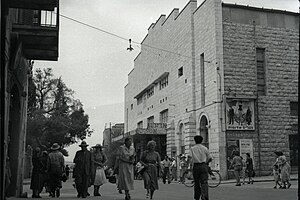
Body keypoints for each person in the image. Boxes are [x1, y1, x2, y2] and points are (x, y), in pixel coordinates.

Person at [188, 135, 212, 200]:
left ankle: (197, 196)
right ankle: (204, 196)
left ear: (195, 141)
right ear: (202, 141)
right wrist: (206, 163)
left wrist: (189, 167)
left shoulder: (192, 148)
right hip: (203, 166)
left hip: (196, 166)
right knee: (204, 182)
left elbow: (189, 158)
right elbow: (210, 158)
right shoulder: (205, 148)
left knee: (196, 182)